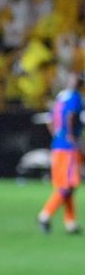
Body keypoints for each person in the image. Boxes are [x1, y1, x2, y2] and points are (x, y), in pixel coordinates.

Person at [38, 73, 82, 235]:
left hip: (57, 146)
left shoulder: (60, 97)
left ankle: (70, 223)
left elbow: (49, 120)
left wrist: (57, 136)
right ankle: (45, 215)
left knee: (67, 185)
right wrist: (71, 137)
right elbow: (71, 116)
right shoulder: (75, 98)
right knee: (67, 186)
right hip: (68, 148)